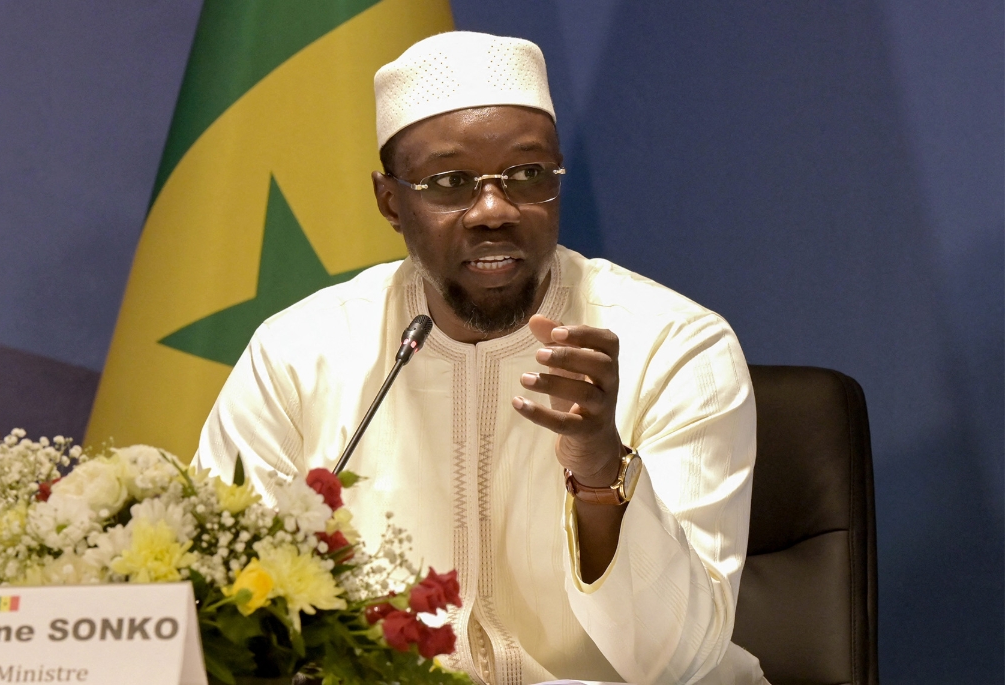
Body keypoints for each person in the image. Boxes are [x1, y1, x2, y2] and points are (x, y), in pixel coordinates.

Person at [194, 31, 767, 685]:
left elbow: (683, 662)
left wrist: (601, 471)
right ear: (390, 202)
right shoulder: (298, 356)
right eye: (449, 182)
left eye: (527, 176)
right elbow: (218, 612)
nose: (493, 210)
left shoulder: (674, 346)